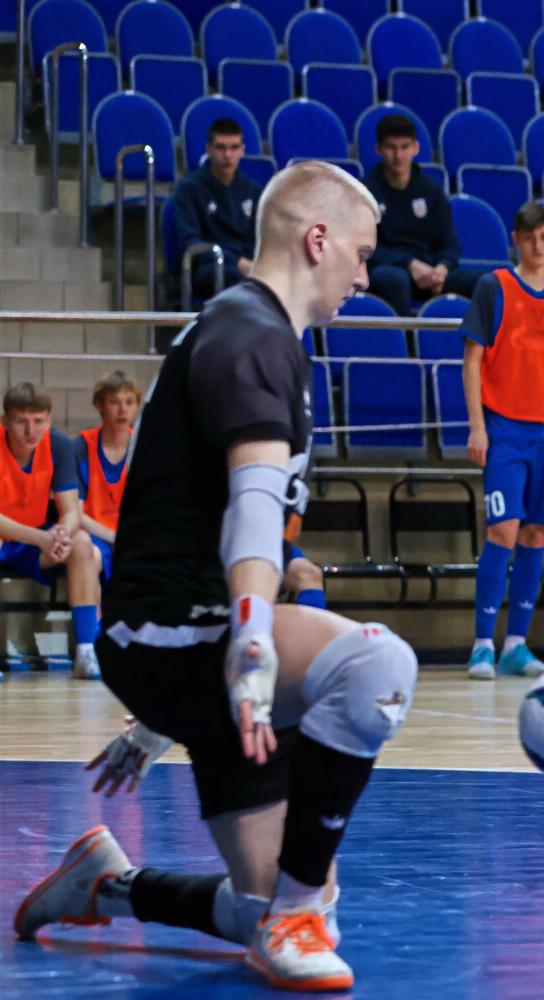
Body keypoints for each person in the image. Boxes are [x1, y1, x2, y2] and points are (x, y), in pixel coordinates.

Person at [13, 161, 419, 991]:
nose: (364, 277)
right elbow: (252, 508)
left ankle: (107, 885)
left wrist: (163, 720)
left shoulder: (256, 334)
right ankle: (293, 916)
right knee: (379, 663)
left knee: (268, 904)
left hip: (190, 640)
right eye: (361, 254)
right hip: (177, 631)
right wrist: (255, 642)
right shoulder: (251, 334)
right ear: (317, 240)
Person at [462, 201, 544, 680]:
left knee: (536, 534)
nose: (537, 246)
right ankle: (482, 644)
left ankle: (516, 645)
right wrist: (478, 425)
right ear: (515, 240)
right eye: (529, 237)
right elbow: (472, 359)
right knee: (503, 530)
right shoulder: (493, 286)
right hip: (505, 428)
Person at [0, 382, 101, 679]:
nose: (31, 430)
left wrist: (60, 535)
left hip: (34, 539)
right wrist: (43, 539)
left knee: (82, 543)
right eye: (21, 421)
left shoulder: (58, 444)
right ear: (4, 421)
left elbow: (71, 512)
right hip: (14, 536)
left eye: (38, 421)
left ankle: (86, 651)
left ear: (50, 419)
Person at [363, 114, 483, 315]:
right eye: (391, 147)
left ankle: (479, 336)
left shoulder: (431, 190)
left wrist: (442, 268)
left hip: (430, 273)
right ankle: (405, 335)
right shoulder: (366, 191)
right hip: (391, 269)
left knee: (487, 282)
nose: (398, 156)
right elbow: (365, 247)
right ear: (379, 149)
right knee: (392, 279)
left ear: (416, 148)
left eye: (404, 147)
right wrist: (409, 264)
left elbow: (449, 243)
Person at [172, 117, 261, 301]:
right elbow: (190, 242)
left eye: (234, 147)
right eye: (221, 147)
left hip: (248, 265)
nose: (227, 155)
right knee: (236, 278)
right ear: (209, 149)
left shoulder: (252, 190)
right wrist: (237, 262)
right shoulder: (189, 189)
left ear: (242, 150)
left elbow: (258, 239)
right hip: (209, 266)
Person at [75, 371, 142, 586]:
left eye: (129, 402)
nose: (123, 410)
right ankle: (91, 610)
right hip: (93, 533)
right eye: (114, 402)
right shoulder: (80, 447)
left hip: (133, 533)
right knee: (89, 556)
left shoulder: (145, 447)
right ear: (99, 405)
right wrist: (114, 537)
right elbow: (75, 513)